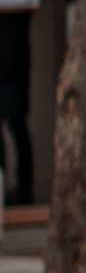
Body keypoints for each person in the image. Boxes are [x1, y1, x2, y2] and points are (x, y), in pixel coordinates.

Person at [0, 11, 32, 206]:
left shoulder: (17, 4)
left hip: (13, 76)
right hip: (13, 74)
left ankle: (24, 190)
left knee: (17, 129)